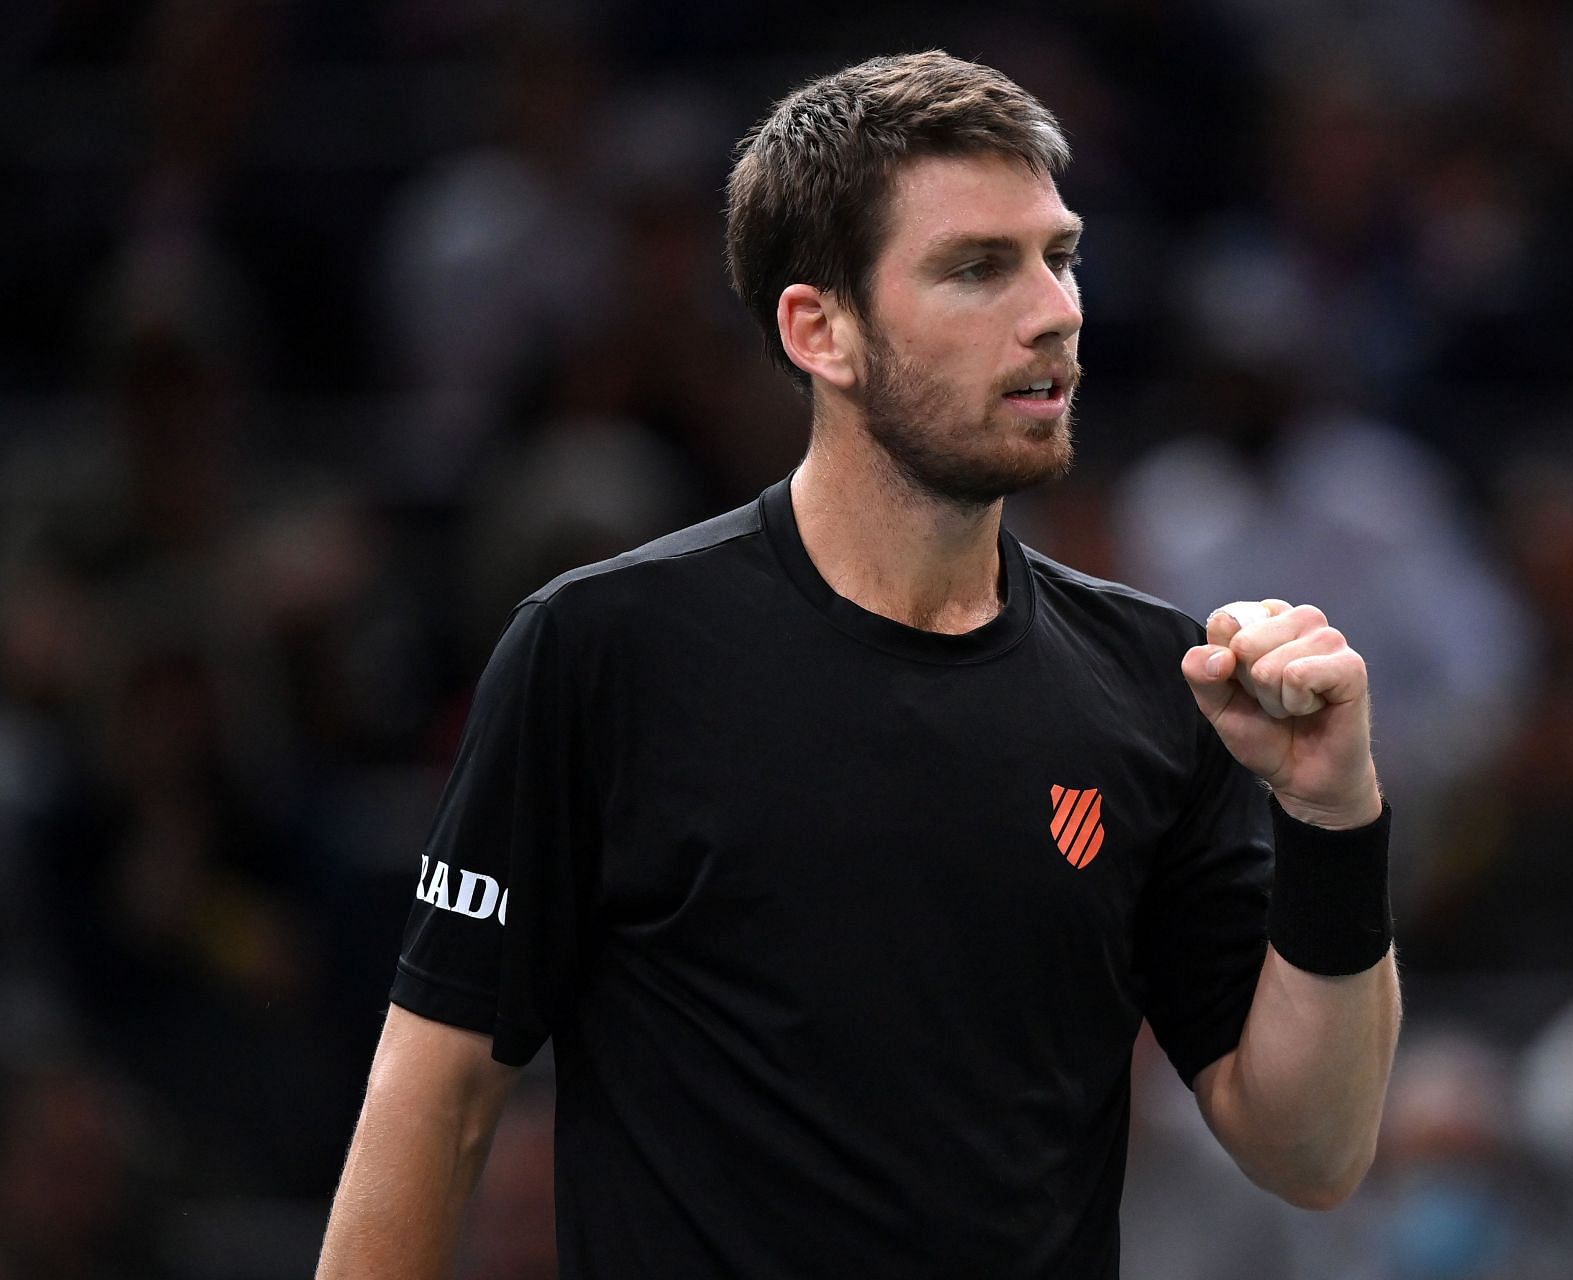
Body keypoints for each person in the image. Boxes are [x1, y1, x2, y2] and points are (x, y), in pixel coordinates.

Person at [316, 51, 1399, 1277]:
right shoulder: (602, 652)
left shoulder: (1160, 682)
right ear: (818, 328)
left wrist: (1333, 816)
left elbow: (1311, 1149)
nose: (1055, 308)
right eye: (979, 267)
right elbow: (439, 1092)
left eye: (1061, 254)